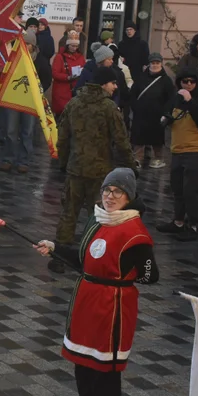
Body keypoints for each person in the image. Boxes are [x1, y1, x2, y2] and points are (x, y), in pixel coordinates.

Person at [33, 168, 157, 396]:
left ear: (129, 197)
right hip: (86, 301)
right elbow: (84, 256)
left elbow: (150, 275)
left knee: (105, 375)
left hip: (112, 307)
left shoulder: (135, 232)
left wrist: (121, 280)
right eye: (107, 190)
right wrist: (55, 249)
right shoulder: (98, 220)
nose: (110, 196)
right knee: (84, 367)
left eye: (118, 192)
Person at [52, 67, 137, 274]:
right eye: (113, 83)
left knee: (68, 214)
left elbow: (62, 137)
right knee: (97, 216)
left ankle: (58, 258)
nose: (116, 87)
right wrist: (131, 167)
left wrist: (63, 163)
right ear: (103, 84)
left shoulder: (74, 103)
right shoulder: (109, 108)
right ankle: (93, 259)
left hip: (75, 168)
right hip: (100, 173)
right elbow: (121, 141)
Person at [158, 69, 198, 242]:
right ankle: (178, 221)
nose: (188, 84)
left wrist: (190, 102)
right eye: (184, 81)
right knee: (178, 188)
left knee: (191, 189)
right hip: (177, 149)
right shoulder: (176, 98)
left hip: (195, 149)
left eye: (192, 81)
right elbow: (166, 115)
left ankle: (193, 225)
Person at [129, 52, 173, 168]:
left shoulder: (166, 80)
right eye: (153, 63)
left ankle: (158, 158)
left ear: (161, 64)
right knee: (139, 138)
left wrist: (165, 112)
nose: (155, 65)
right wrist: (135, 107)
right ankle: (137, 158)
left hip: (157, 115)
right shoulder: (141, 77)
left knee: (157, 138)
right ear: (149, 64)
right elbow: (133, 94)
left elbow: (171, 98)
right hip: (141, 114)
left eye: (157, 63)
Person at [51, 33, 86, 114]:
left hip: (76, 90)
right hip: (62, 91)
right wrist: (67, 77)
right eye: (72, 46)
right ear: (67, 45)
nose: (74, 48)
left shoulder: (80, 57)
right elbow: (55, 73)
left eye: (76, 46)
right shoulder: (60, 57)